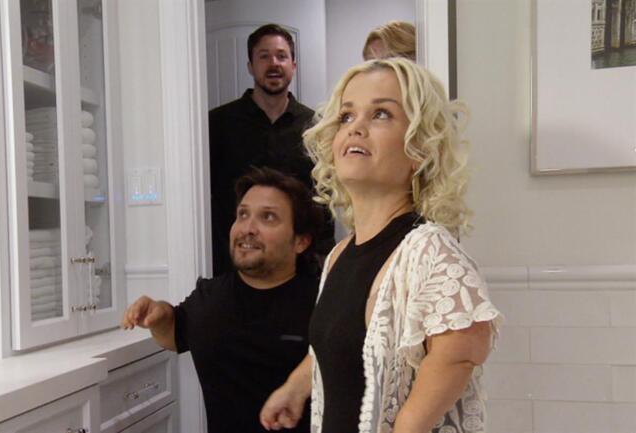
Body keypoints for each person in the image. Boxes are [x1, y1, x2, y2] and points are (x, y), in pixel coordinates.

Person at [260, 58, 503, 433]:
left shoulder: (429, 251)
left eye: (381, 114)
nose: (356, 127)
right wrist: (296, 387)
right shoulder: (340, 255)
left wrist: (407, 426)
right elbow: (345, 343)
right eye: (346, 116)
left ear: (419, 148)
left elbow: (464, 345)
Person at [122, 167, 323, 433]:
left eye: (268, 217)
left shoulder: (325, 302)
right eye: (243, 214)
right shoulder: (209, 297)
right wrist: (158, 316)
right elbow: (174, 335)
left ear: (300, 241)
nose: (248, 228)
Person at [209, 23, 334, 276]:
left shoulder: (316, 127)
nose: (273, 63)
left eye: (281, 56)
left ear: (293, 66)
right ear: (250, 66)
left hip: (301, 267)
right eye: (264, 56)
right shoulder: (217, 124)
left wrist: (324, 255)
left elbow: (324, 194)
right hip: (234, 264)